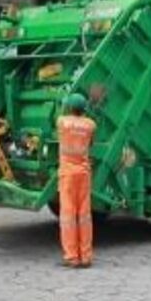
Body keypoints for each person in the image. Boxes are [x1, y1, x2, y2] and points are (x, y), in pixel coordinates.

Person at [56, 93, 96, 268]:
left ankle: (72, 257)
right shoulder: (90, 125)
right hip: (84, 173)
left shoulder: (62, 122)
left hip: (68, 174)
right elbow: (91, 143)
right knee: (84, 216)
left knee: (68, 215)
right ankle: (86, 256)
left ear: (69, 107)